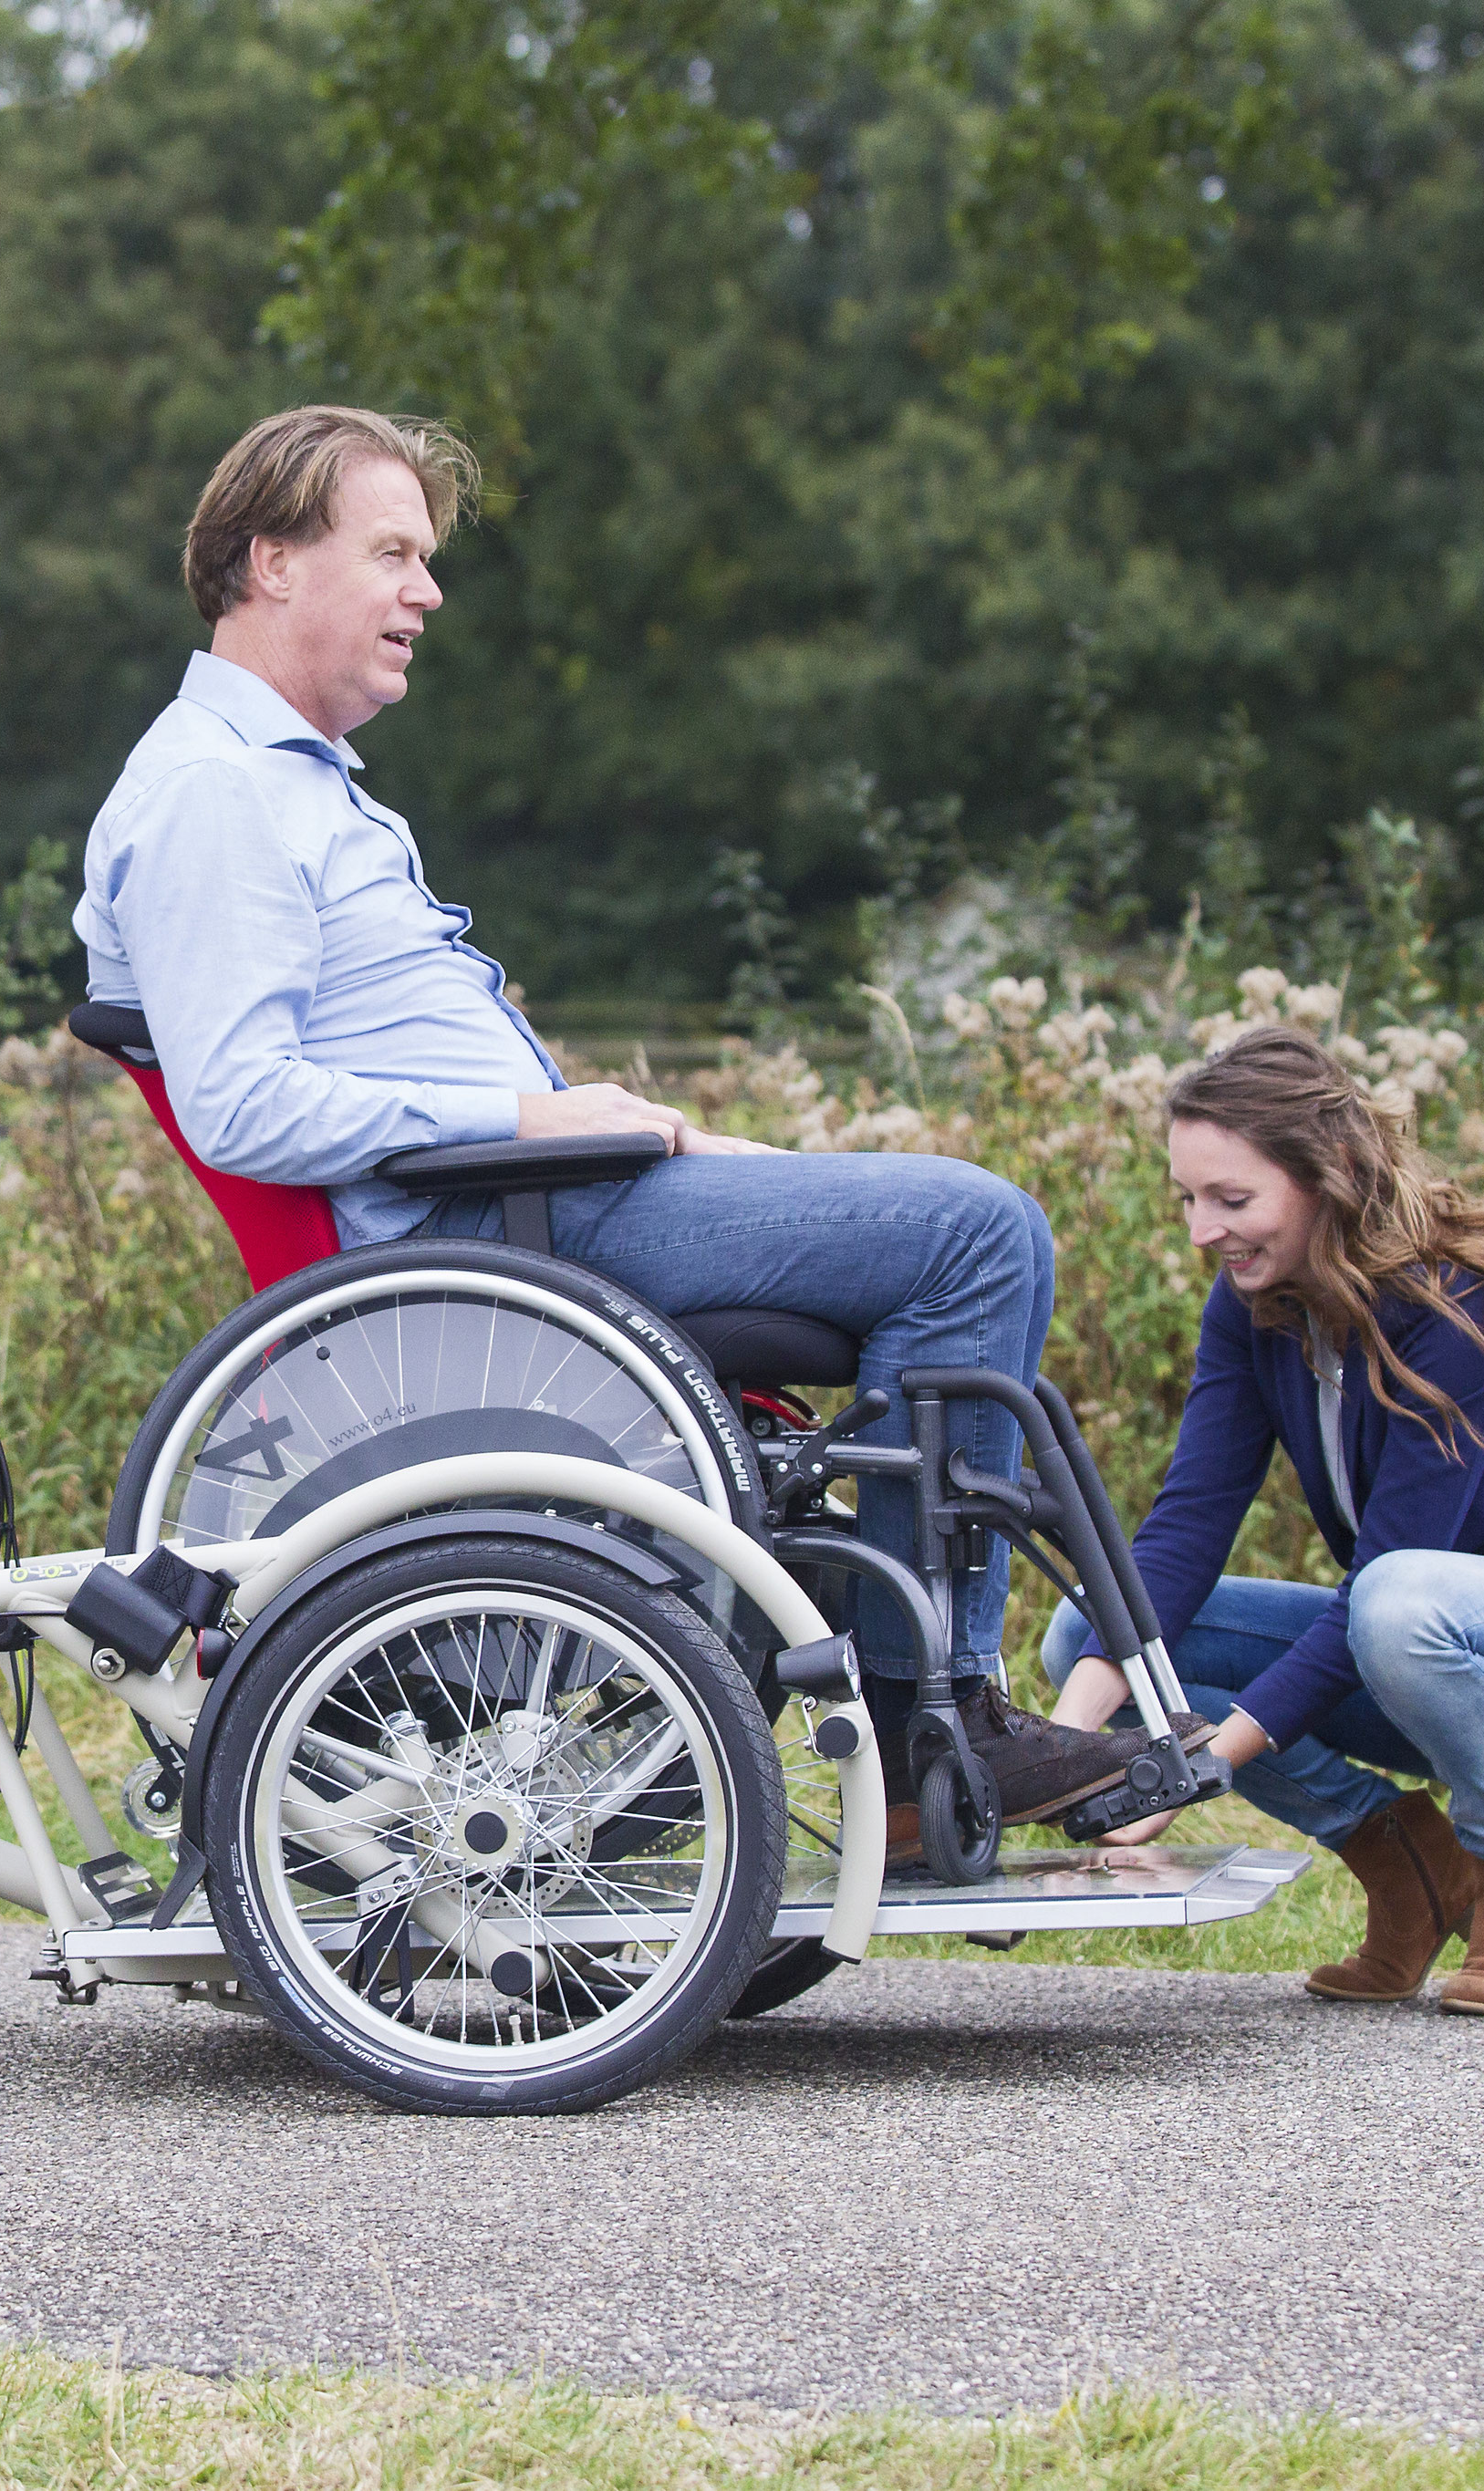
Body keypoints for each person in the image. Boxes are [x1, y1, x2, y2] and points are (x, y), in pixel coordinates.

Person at [75, 402, 1147, 1830]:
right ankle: (920, 1716)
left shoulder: (290, 786)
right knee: (974, 1234)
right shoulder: (219, 797)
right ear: (271, 563)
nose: (428, 590)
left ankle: (915, 1692)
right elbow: (243, 1102)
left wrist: (652, 1136)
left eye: (426, 558)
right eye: (393, 553)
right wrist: (531, 1117)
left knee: (950, 1241)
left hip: (530, 1196)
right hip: (483, 1236)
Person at [1041, 1025, 1484, 2014]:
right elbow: (1186, 1527)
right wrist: (1060, 1755)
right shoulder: (1254, 1305)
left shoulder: (1461, 1304)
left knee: (1395, 1599)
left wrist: (1189, 1771)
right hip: (1425, 1648)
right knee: (1085, 1634)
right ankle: (1405, 1864)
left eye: (1231, 1199)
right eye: (1187, 1199)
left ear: (1331, 1175)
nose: (1200, 1230)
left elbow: (1393, 1574)